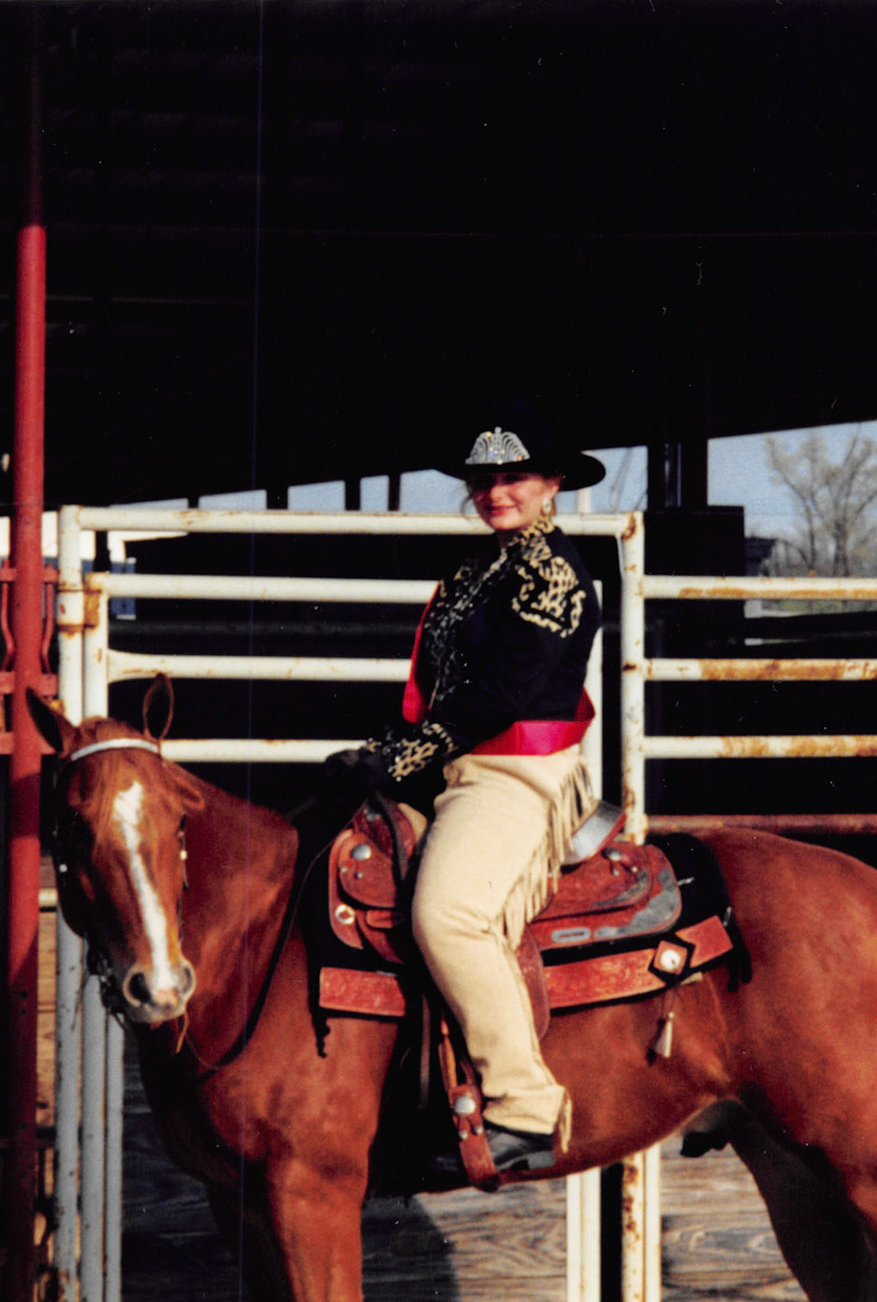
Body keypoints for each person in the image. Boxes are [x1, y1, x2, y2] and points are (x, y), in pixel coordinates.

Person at [326, 402, 605, 1176]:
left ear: (552, 484)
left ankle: (525, 1104)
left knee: (446, 916)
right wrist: (384, 751)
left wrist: (401, 756)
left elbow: (500, 698)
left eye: (515, 478)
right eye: (483, 481)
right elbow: (440, 686)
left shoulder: (553, 574)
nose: (495, 493)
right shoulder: (475, 570)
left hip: (513, 772)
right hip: (452, 765)